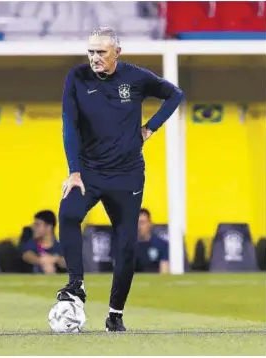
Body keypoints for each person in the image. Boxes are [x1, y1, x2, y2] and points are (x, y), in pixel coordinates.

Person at [56, 26, 184, 332]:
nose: (94, 58)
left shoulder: (136, 77)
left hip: (127, 175)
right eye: (90, 51)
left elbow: (174, 94)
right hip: (88, 171)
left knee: (126, 244)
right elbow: (69, 125)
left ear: (117, 52)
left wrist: (150, 127)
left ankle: (115, 314)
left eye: (101, 52)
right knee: (68, 213)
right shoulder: (77, 77)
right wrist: (73, 170)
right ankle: (76, 285)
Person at [136, 208, 169, 274]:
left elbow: (164, 272)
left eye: (142, 223)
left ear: (149, 224)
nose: (139, 226)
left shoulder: (161, 245)